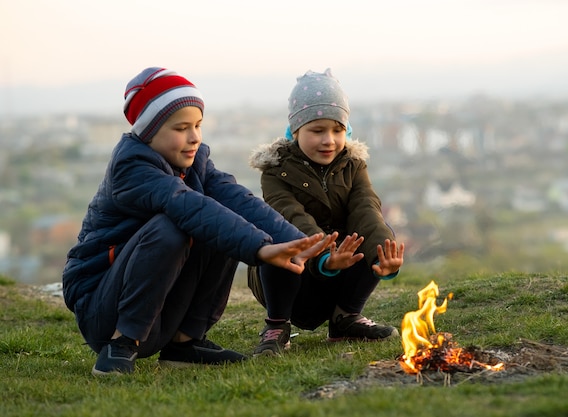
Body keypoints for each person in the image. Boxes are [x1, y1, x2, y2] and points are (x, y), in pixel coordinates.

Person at [62, 67, 335, 376]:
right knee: (172, 228)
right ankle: (122, 343)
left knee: (222, 220)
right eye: (181, 128)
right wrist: (259, 249)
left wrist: (301, 244)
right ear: (149, 132)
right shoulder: (132, 167)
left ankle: (185, 343)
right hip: (102, 311)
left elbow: (239, 201)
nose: (194, 137)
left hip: (159, 311)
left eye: (198, 125)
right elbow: (187, 205)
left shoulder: (196, 163)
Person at [247, 68, 405, 356]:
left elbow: (366, 209)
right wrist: (323, 255)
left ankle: (345, 318)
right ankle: (277, 325)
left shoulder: (353, 165)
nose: (329, 140)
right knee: (276, 237)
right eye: (317, 130)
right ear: (295, 131)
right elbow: (291, 216)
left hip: (340, 271)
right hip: (295, 283)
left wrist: (384, 254)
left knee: (372, 235)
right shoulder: (275, 170)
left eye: (337, 130)